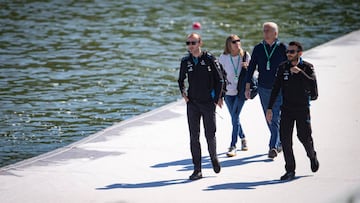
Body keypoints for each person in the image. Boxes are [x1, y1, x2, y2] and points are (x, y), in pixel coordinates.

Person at [266, 41, 319, 181]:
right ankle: (290, 170)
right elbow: (276, 88)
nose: (289, 54)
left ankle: (312, 155)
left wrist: (300, 73)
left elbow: (314, 89)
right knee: (285, 140)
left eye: (292, 51)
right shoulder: (283, 67)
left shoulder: (307, 67)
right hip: (287, 109)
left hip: (302, 109)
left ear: (299, 53)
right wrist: (269, 108)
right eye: (288, 51)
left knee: (304, 137)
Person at [178, 33, 224, 180]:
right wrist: (184, 93)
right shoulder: (186, 61)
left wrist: (217, 98)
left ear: (200, 43)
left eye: (193, 42)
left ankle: (213, 158)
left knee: (210, 134)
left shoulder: (209, 58)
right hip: (192, 103)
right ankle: (197, 169)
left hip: (208, 103)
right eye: (188, 43)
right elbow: (180, 80)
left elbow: (220, 80)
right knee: (193, 136)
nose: (190, 45)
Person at [245, 22, 287, 159]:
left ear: (275, 34)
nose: (265, 33)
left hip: (279, 88)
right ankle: (279, 141)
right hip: (263, 87)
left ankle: (272, 147)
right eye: (264, 30)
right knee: (268, 117)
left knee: (274, 116)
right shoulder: (258, 48)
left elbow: (289, 65)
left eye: (268, 30)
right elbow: (251, 68)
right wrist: (247, 86)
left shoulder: (282, 48)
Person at [219, 34, 251, 157]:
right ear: (228, 44)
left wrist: (248, 67)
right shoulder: (223, 57)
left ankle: (233, 145)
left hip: (241, 91)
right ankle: (243, 138)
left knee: (235, 116)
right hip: (228, 92)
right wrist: (218, 95)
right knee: (234, 118)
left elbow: (254, 72)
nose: (237, 43)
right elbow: (219, 76)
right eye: (234, 41)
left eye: (238, 40)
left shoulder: (245, 55)